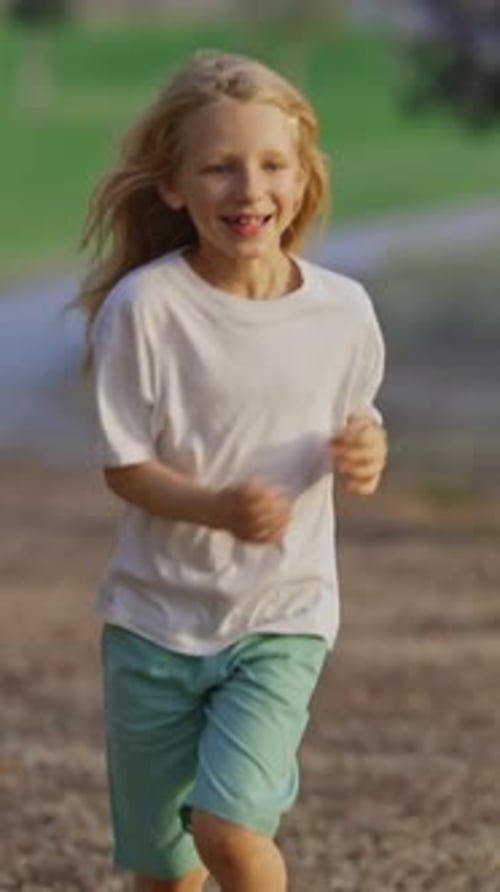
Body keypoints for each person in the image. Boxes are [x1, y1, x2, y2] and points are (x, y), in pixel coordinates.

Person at [77, 50, 388, 892]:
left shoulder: (342, 312)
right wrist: (215, 507)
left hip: (281, 618)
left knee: (230, 829)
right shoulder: (146, 311)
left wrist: (368, 451)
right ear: (174, 187)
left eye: (272, 165)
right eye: (219, 167)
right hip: (153, 625)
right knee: (164, 871)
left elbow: (361, 420)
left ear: (303, 178)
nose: (249, 189)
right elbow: (125, 467)